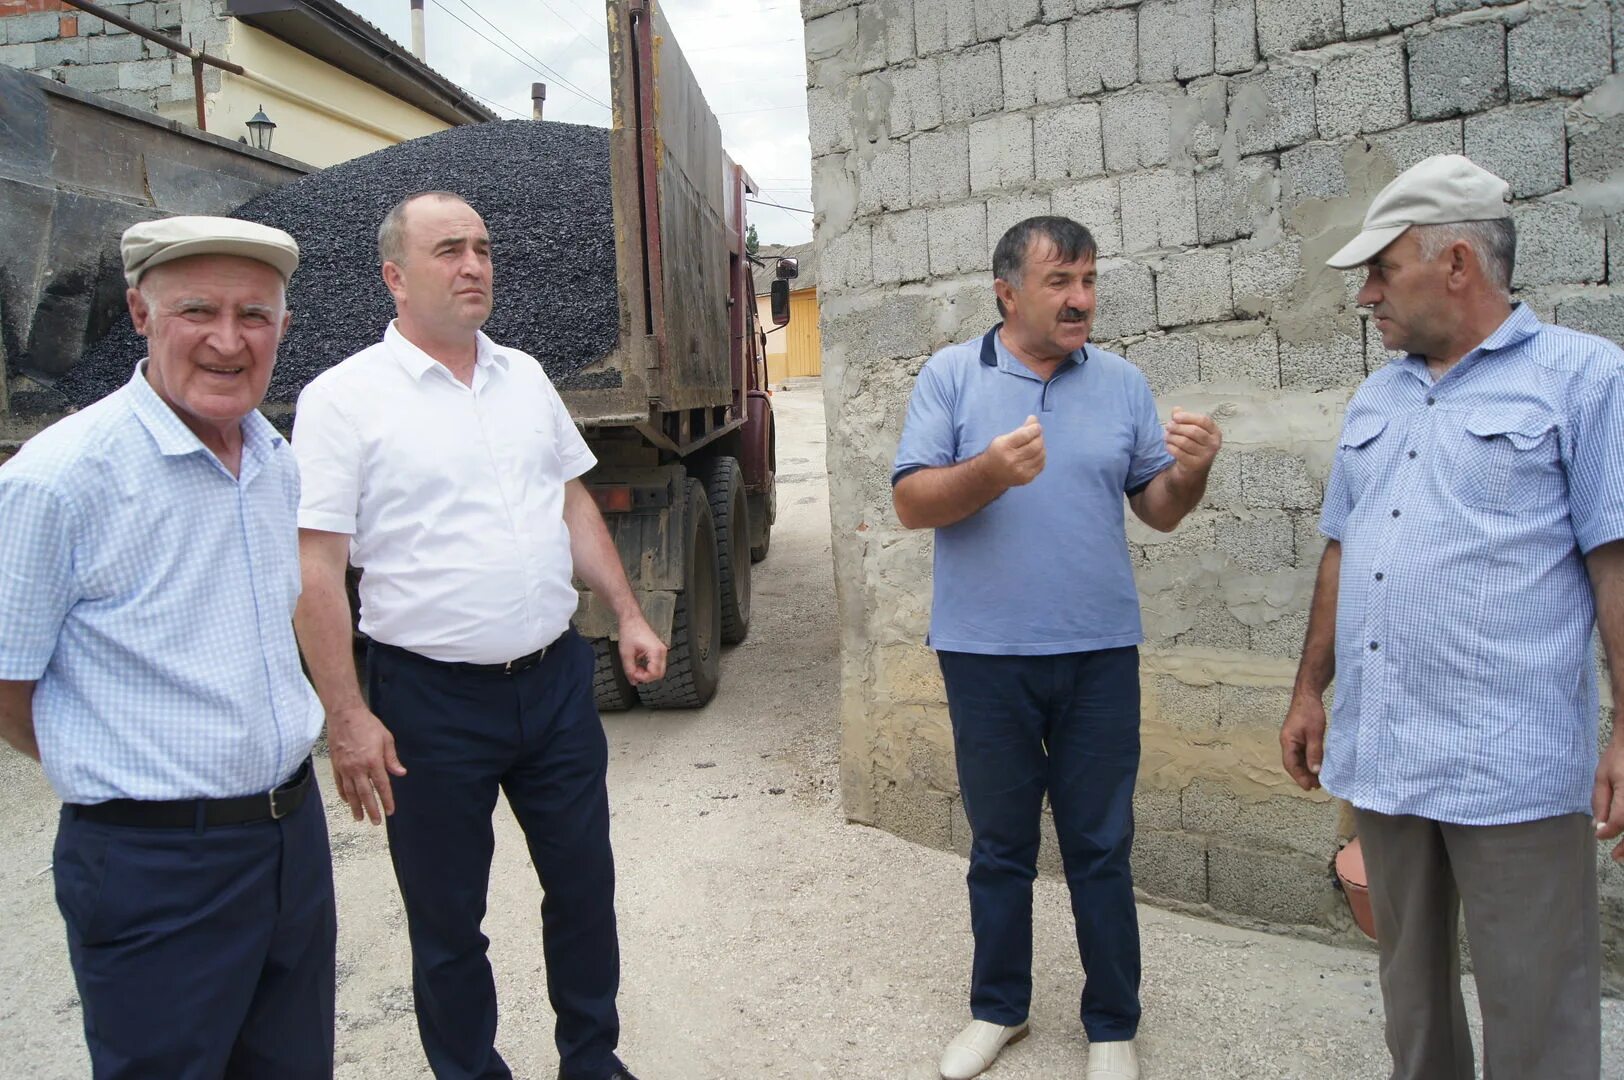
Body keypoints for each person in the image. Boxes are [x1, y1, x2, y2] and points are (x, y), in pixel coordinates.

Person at [291, 190, 665, 1080]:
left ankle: (592, 1061)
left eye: (484, 249)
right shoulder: (343, 400)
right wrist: (347, 715)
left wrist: (630, 611)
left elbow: (570, 500)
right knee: (448, 920)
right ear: (395, 276)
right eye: (449, 250)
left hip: (555, 684)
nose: (473, 266)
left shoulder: (523, 376)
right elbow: (316, 573)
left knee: (584, 891)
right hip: (428, 705)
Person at [1280, 154, 1624, 1079]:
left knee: (1538, 1007)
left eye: (1381, 269)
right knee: (1412, 1005)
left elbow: (1615, 563)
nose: (1366, 296)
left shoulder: (1583, 380)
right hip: (1387, 754)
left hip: (1509, 763)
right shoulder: (1380, 395)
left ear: (1457, 264)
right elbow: (1344, 550)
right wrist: (1311, 689)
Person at [0, 216, 334, 1077]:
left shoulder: (273, 459)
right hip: (152, 868)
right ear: (141, 316)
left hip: (288, 842)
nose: (229, 341)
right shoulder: (59, 480)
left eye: (254, 316)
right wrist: (126, 776)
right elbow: (6, 680)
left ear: (284, 329)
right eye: (198, 311)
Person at [892, 216, 1223, 1080]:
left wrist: (1190, 471)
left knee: (1100, 844)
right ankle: (998, 1010)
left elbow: (1156, 508)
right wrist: (988, 474)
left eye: (1088, 281)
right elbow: (913, 502)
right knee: (1000, 846)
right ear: (1007, 292)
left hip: (1100, 653)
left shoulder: (1120, 383)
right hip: (985, 655)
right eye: (1060, 283)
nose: (1081, 300)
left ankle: (1113, 1024)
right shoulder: (952, 377)